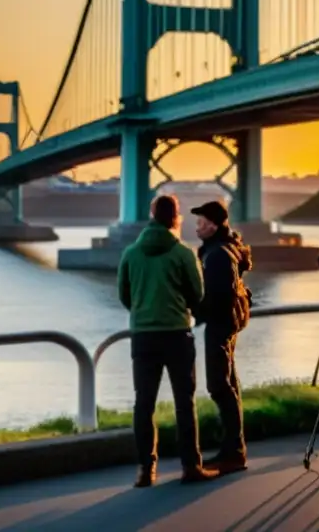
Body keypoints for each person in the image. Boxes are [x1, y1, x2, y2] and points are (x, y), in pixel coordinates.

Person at [116, 194, 218, 487]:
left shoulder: (130, 254)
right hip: (177, 334)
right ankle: (190, 467)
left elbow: (124, 294)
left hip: (143, 336)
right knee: (184, 403)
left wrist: (143, 312)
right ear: (176, 218)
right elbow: (197, 294)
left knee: (143, 404)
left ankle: (146, 470)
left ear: (151, 215)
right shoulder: (183, 253)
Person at [191, 199, 253, 474]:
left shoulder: (217, 255)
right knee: (229, 384)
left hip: (219, 323)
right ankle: (234, 449)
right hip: (229, 323)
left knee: (219, 385)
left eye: (201, 223)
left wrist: (194, 312)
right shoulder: (227, 248)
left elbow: (218, 296)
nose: (197, 228)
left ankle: (233, 453)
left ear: (214, 225)